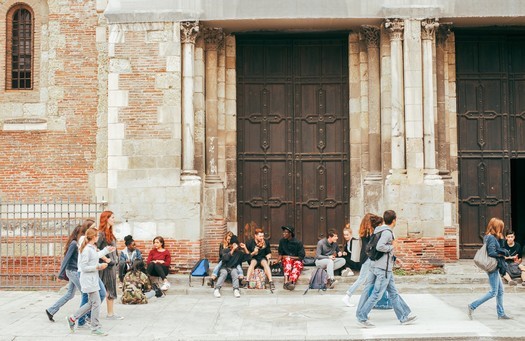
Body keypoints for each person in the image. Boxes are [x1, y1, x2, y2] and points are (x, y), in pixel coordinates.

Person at [356, 210, 416, 328]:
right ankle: (362, 317)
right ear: (394, 220)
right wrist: (392, 246)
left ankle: (404, 316)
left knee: (393, 292)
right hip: (383, 268)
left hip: (376, 265)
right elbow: (380, 247)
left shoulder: (379, 229)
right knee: (377, 294)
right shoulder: (387, 232)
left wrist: (393, 256)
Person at [66, 227, 115, 336]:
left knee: (91, 303)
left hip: (92, 279)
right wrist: (98, 266)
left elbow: (96, 256)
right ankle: (95, 328)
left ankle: (73, 318)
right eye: (97, 235)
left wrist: (106, 250)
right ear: (93, 237)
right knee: (96, 302)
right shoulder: (86, 249)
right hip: (88, 280)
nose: (98, 237)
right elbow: (83, 267)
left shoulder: (91, 248)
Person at [46, 220, 93, 322]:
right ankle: (83, 318)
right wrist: (60, 274)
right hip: (73, 271)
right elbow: (66, 259)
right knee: (86, 294)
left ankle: (51, 310)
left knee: (70, 294)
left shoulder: (79, 244)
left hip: (74, 271)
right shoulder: (74, 244)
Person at [468, 217, 513, 320]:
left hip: (495, 266)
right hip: (492, 266)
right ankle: (472, 306)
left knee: (500, 291)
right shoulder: (491, 238)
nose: (501, 229)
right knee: (493, 292)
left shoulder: (490, 236)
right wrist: (502, 254)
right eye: (500, 227)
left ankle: (501, 314)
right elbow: (492, 252)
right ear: (496, 227)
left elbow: (497, 247)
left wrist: (501, 238)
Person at [342, 213, 384, 307]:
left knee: (369, 280)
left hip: (366, 258)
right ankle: (347, 296)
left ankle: (369, 300)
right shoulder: (369, 233)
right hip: (367, 258)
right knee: (362, 279)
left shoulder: (363, 232)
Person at [96, 210, 123, 320]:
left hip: (112, 265)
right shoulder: (101, 233)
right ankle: (90, 313)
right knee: (105, 290)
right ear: (106, 219)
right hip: (105, 266)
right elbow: (95, 248)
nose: (114, 219)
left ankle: (110, 313)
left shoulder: (109, 232)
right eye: (112, 217)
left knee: (109, 289)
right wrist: (106, 259)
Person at [277, 225, 305, 291]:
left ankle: (291, 282)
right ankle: (286, 281)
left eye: (286, 232)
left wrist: (289, 256)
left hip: (296, 260)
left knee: (298, 264)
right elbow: (280, 253)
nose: (284, 234)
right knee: (287, 260)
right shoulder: (282, 241)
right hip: (286, 261)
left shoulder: (298, 243)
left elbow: (301, 257)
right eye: (283, 232)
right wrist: (277, 260)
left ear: (290, 234)